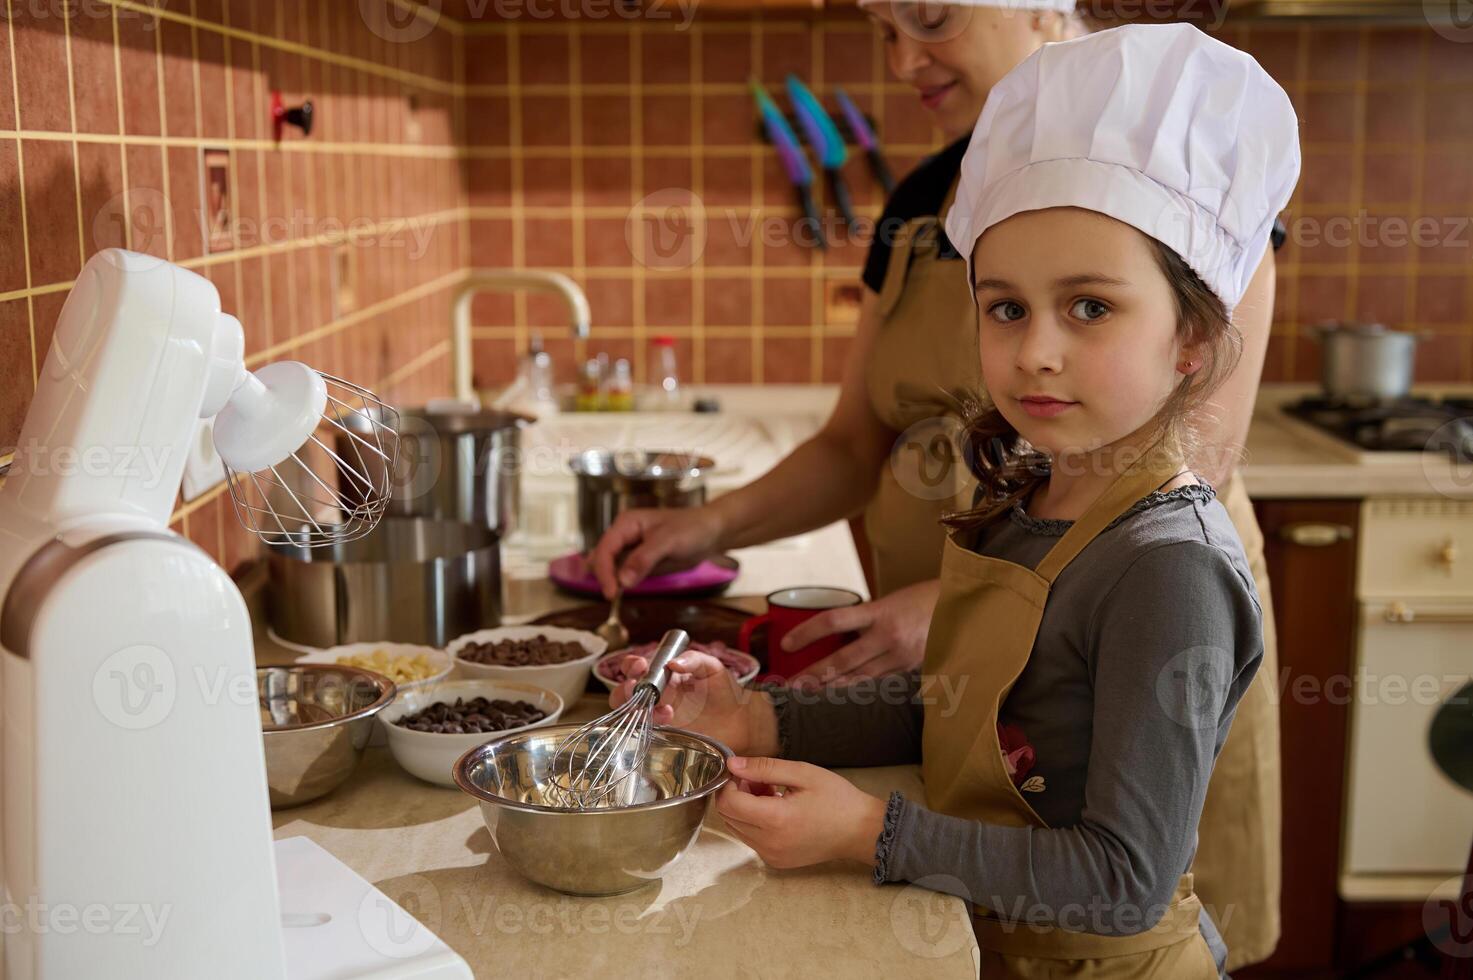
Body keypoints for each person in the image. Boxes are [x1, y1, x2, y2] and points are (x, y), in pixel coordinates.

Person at [595, 2, 1289, 970]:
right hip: (986, 934)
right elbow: (964, 707)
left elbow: (1124, 879)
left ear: (1193, 342)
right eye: (1004, 306)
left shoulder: (1165, 568)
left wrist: (871, 831)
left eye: (1090, 306)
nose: (1037, 351)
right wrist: (757, 717)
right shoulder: (1023, 504)